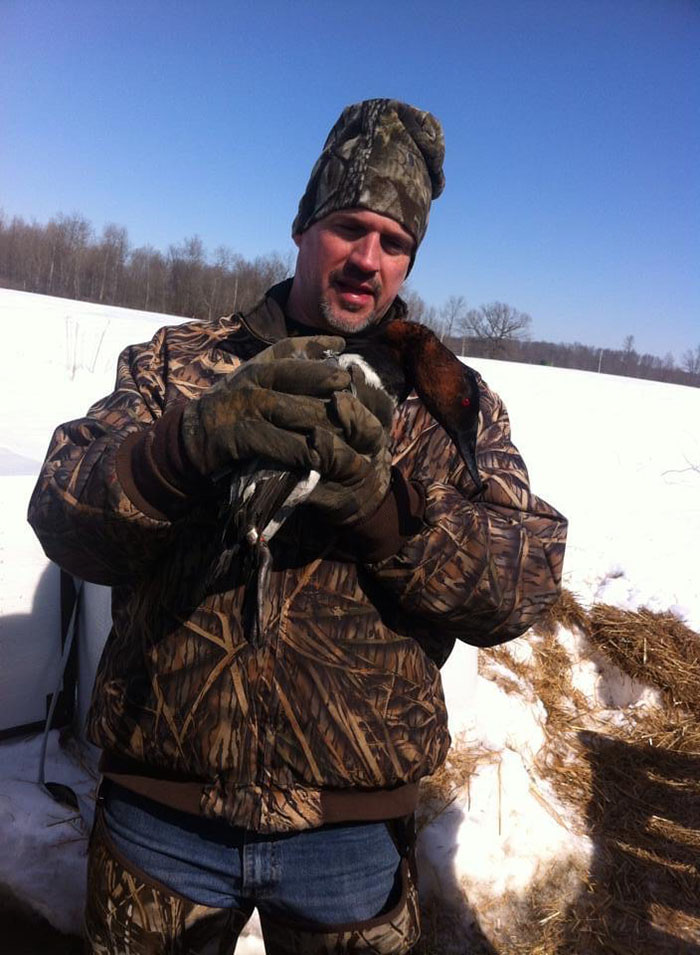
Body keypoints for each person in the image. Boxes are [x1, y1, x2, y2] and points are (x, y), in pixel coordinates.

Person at [28, 99, 567, 955]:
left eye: (395, 243)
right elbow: (62, 510)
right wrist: (189, 443)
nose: (368, 258)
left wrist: (383, 516)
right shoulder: (179, 365)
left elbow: (521, 583)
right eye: (350, 227)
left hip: (349, 840)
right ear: (303, 226)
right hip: (160, 821)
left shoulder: (444, 402)